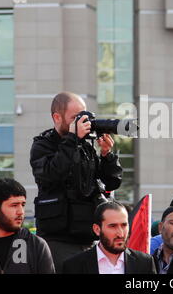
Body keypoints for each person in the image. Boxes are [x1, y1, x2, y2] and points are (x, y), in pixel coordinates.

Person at [30, 92, 123, 273]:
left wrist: (107, 156)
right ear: (57, 117)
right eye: (75, 118)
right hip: (57, 240)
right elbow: (51, 174)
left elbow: (112, 182)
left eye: (84, 116)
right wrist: (72, 139)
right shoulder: (43, 145)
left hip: (88, 238)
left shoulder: (86, 147)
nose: (82, 122)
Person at [63, 201, 156, 274]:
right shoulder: (75, 266)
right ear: (97, 229)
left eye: (124, 225)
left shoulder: (144, 263)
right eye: (113, 226)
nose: (120, 233)